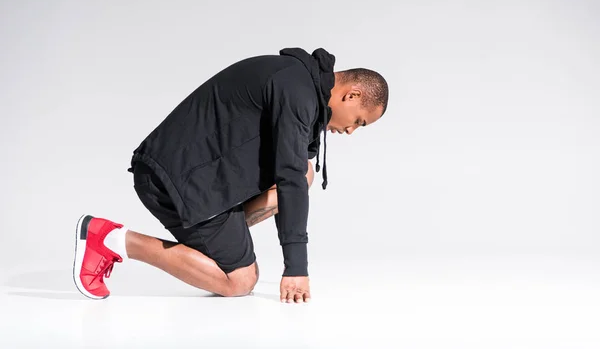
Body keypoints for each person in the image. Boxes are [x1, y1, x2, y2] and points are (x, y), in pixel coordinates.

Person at [73, 47, 388, 303]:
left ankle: (212, 241)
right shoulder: (297, 91)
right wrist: (296, 268)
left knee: (305, 174)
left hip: (200, 177)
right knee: (239, 280)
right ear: (352, 95)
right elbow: (288, 177)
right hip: (178, 179)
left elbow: (294, 174)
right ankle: (111, 239)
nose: (350, 131)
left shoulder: (301, 87)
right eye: (359, 121)